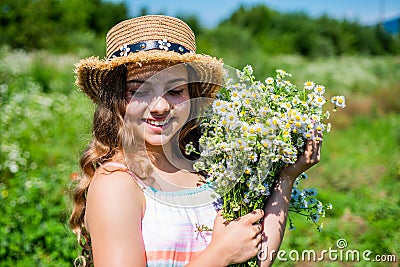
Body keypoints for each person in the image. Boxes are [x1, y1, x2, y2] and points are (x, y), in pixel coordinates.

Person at [69, 15, 321, 267]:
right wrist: (220, 254)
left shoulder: (206, 168)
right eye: (138, 90)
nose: (159, 106)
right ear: (116, 100)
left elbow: (255, 258)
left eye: (175, 90)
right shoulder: (118, 184)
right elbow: (228, 252)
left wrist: (286, 178)